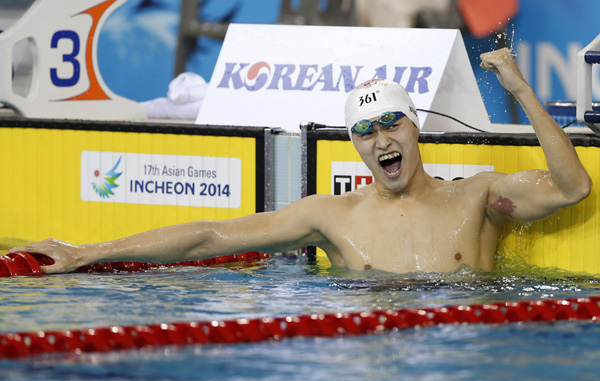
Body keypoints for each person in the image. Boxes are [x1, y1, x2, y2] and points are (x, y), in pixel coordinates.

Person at [10, 48, 592, 274]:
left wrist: (520, 89)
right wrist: (87, 253)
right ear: (354, 145)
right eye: (363, 131)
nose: (380, 139)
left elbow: (572, 188)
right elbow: (210, 234)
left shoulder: (479, 197)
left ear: (415, 128)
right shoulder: (331, 216)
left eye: (391, 123)